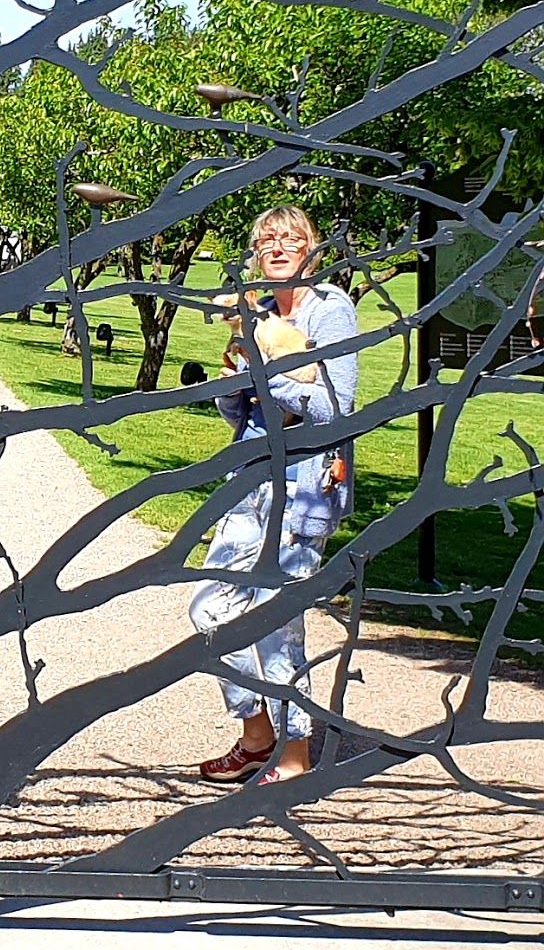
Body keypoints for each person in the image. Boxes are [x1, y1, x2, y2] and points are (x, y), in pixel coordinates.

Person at [190, 204, 358, 786]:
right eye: (268, 240)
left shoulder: (331, 310)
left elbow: (335, 409)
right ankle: (257, 731)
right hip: (252, 478)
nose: (279, 247)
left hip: (305, 487)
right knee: (209, 610)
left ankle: (294, 753)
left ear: (312, 249)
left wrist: (268, 377)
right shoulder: (259, 312)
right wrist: (235, 382)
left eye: (292, 239)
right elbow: (242, 409)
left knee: (274, 620)